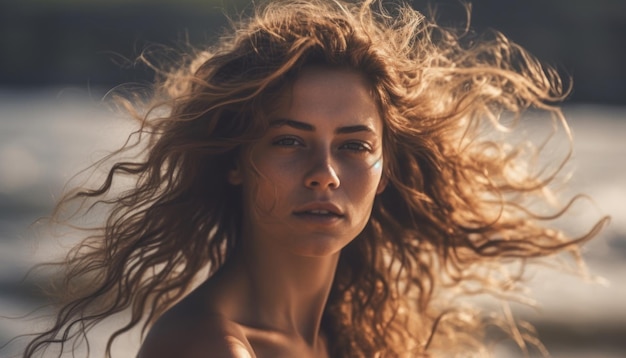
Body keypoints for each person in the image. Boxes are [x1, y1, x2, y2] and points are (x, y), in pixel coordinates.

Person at [19, 0, 607, 357]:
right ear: (233, 160)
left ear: (383, 173)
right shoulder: (211, 348)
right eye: (289, 142)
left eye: (353, 146)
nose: (324, 174)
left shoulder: (344, 335)